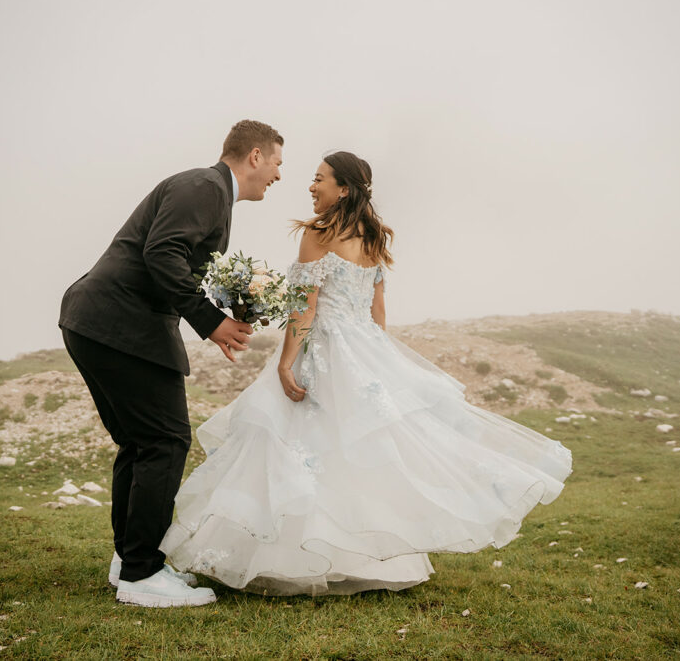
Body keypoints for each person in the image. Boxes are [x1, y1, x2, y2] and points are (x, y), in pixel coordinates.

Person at [160, 151, 573, 596]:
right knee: (354, 455)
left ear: (343, 188)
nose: (311, 186)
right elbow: (378, 313)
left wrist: (285, 362)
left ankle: (294, 559)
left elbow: (305, 306)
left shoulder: (319, 234)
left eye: (319, 179)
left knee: (302, 448)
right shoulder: (373, 239)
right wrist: (378, 361)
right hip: (364, 350)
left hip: (323, 349)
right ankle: (368, 561)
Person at [58, 120, 284, 607]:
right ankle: (142, 575)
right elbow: (162, 253)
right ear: (255, 157)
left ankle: (130, 561)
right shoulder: (204, 186)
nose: (279, 176)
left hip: (98, 322)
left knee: (141, 443)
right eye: (278, 164)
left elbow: (175, 260)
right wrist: (210, 321)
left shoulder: (208, 192)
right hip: (119, 325)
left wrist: (235, 304)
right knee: (165, 439)